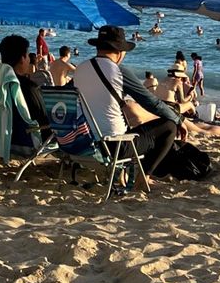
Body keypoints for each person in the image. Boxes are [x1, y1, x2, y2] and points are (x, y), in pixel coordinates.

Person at [72, 26, 179, 182]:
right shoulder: (118, 71)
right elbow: (152, 103)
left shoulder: (80, 69)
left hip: (84, 143)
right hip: (114, 147)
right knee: (169, 127)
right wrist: (178, 119)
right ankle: (144, 176)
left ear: (98, 47)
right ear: (120, 51)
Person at [0, 35, 52, 151]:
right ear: (22, 58)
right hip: (28, 142)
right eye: (28, 55)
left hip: (1, 139)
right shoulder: (28, 87)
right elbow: (43, 119)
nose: (29, 59)